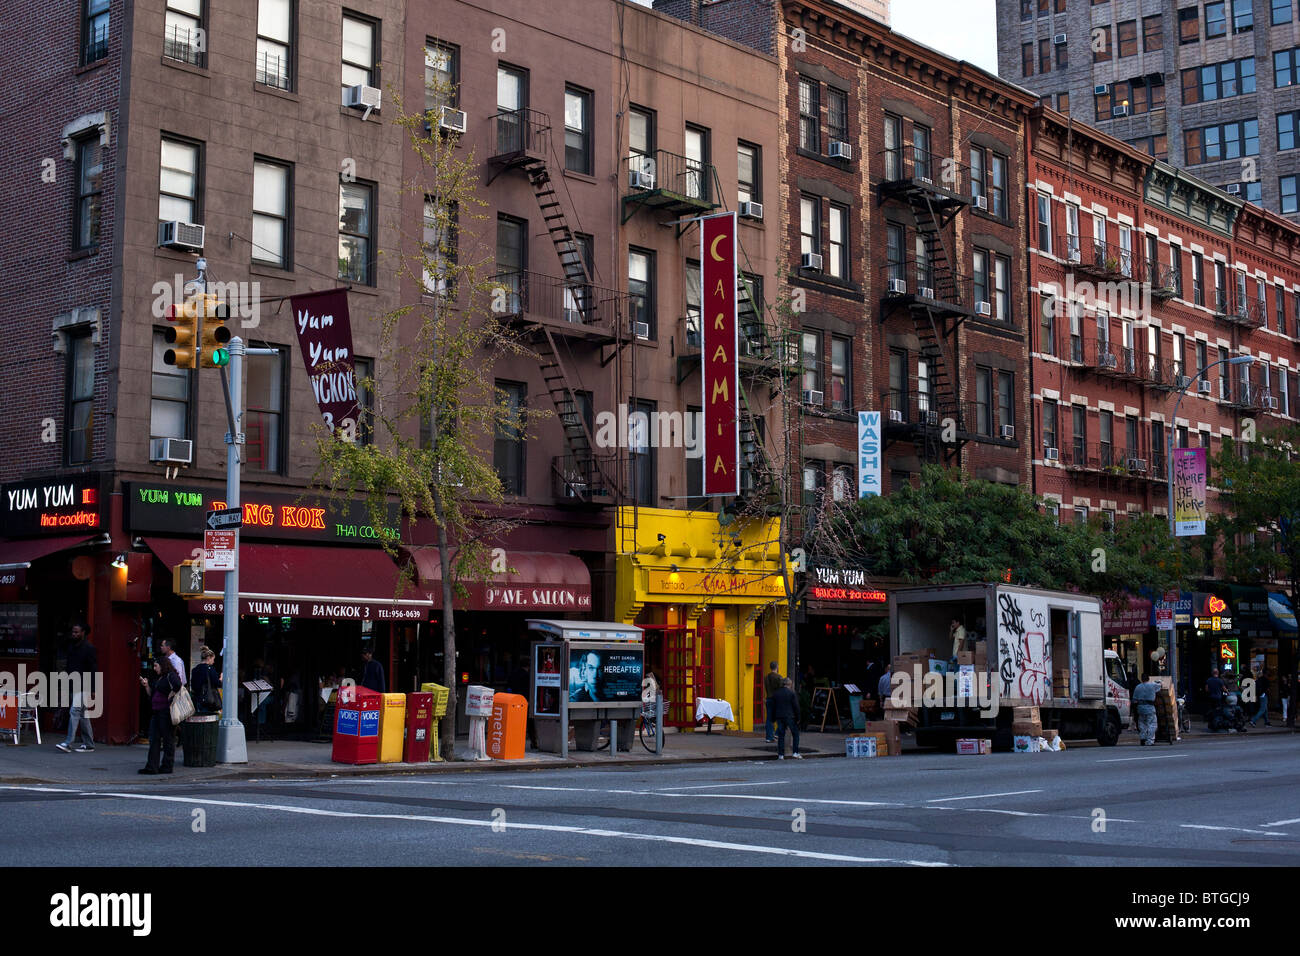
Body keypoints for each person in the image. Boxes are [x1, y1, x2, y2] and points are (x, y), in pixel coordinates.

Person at [56, 622, 97, 753]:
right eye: (73, 632)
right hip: (73, 683)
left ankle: (68, 743)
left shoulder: (89, 648)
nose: (74, 634)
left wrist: (93, 689)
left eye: (76, 632)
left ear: (83, 633)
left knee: (74, 712)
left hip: (84, 685)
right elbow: (68, 666)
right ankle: (89, 744)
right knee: (83, 715)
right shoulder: (71, 646)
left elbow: (93, 669)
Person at [140, 658, 182, 774]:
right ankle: (152, 766)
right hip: (157, 712)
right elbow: (152, 694)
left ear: (162, 666)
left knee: (168, 739)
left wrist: (171, 696)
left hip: (166, 712)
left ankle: (167, 766)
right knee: (154, 739)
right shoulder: (160, 678)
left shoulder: (170, 675)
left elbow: (178, 686)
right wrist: (146, 685)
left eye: (156, 666)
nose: (154, 669)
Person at [769, 678, 801, 760]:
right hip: (790, 716)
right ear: (790, 684)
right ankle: (795, 752)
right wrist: (798, 718)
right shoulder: (792, 693)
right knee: (795, 734)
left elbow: (773, 707)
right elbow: (796, 707)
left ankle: (781, 755)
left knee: (781, 735)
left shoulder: (776, 693)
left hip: (779, 716)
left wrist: (772, 718)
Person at [190, 646, 222, 714]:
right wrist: (221, 679)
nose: (213, 662)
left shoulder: (194, 670)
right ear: (208, 658)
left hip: (198, 699)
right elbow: (217, 683)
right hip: (209, 700)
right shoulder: (210, 669)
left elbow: (193, 686)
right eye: (213, 659)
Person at [1132, 672, 1159, 745]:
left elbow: (1134, 700)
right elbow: (1160, 686)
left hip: (1140, 708)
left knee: (1142, 724)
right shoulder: (1153, 685)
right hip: (1150, 707)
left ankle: (1142, 739)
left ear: (1141, 679)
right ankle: (1150, 740)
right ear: (1148, 678)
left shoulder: (1138, 687)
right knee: (1152, 724)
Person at [763, 661, 783, 743]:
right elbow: (781, 689)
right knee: (781, 717)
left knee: (769, 719)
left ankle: (769, 737)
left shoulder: (766, 677)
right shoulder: (779, 677)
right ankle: (777, 733)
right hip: (776, 700)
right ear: (777, 667)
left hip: (768, 699)